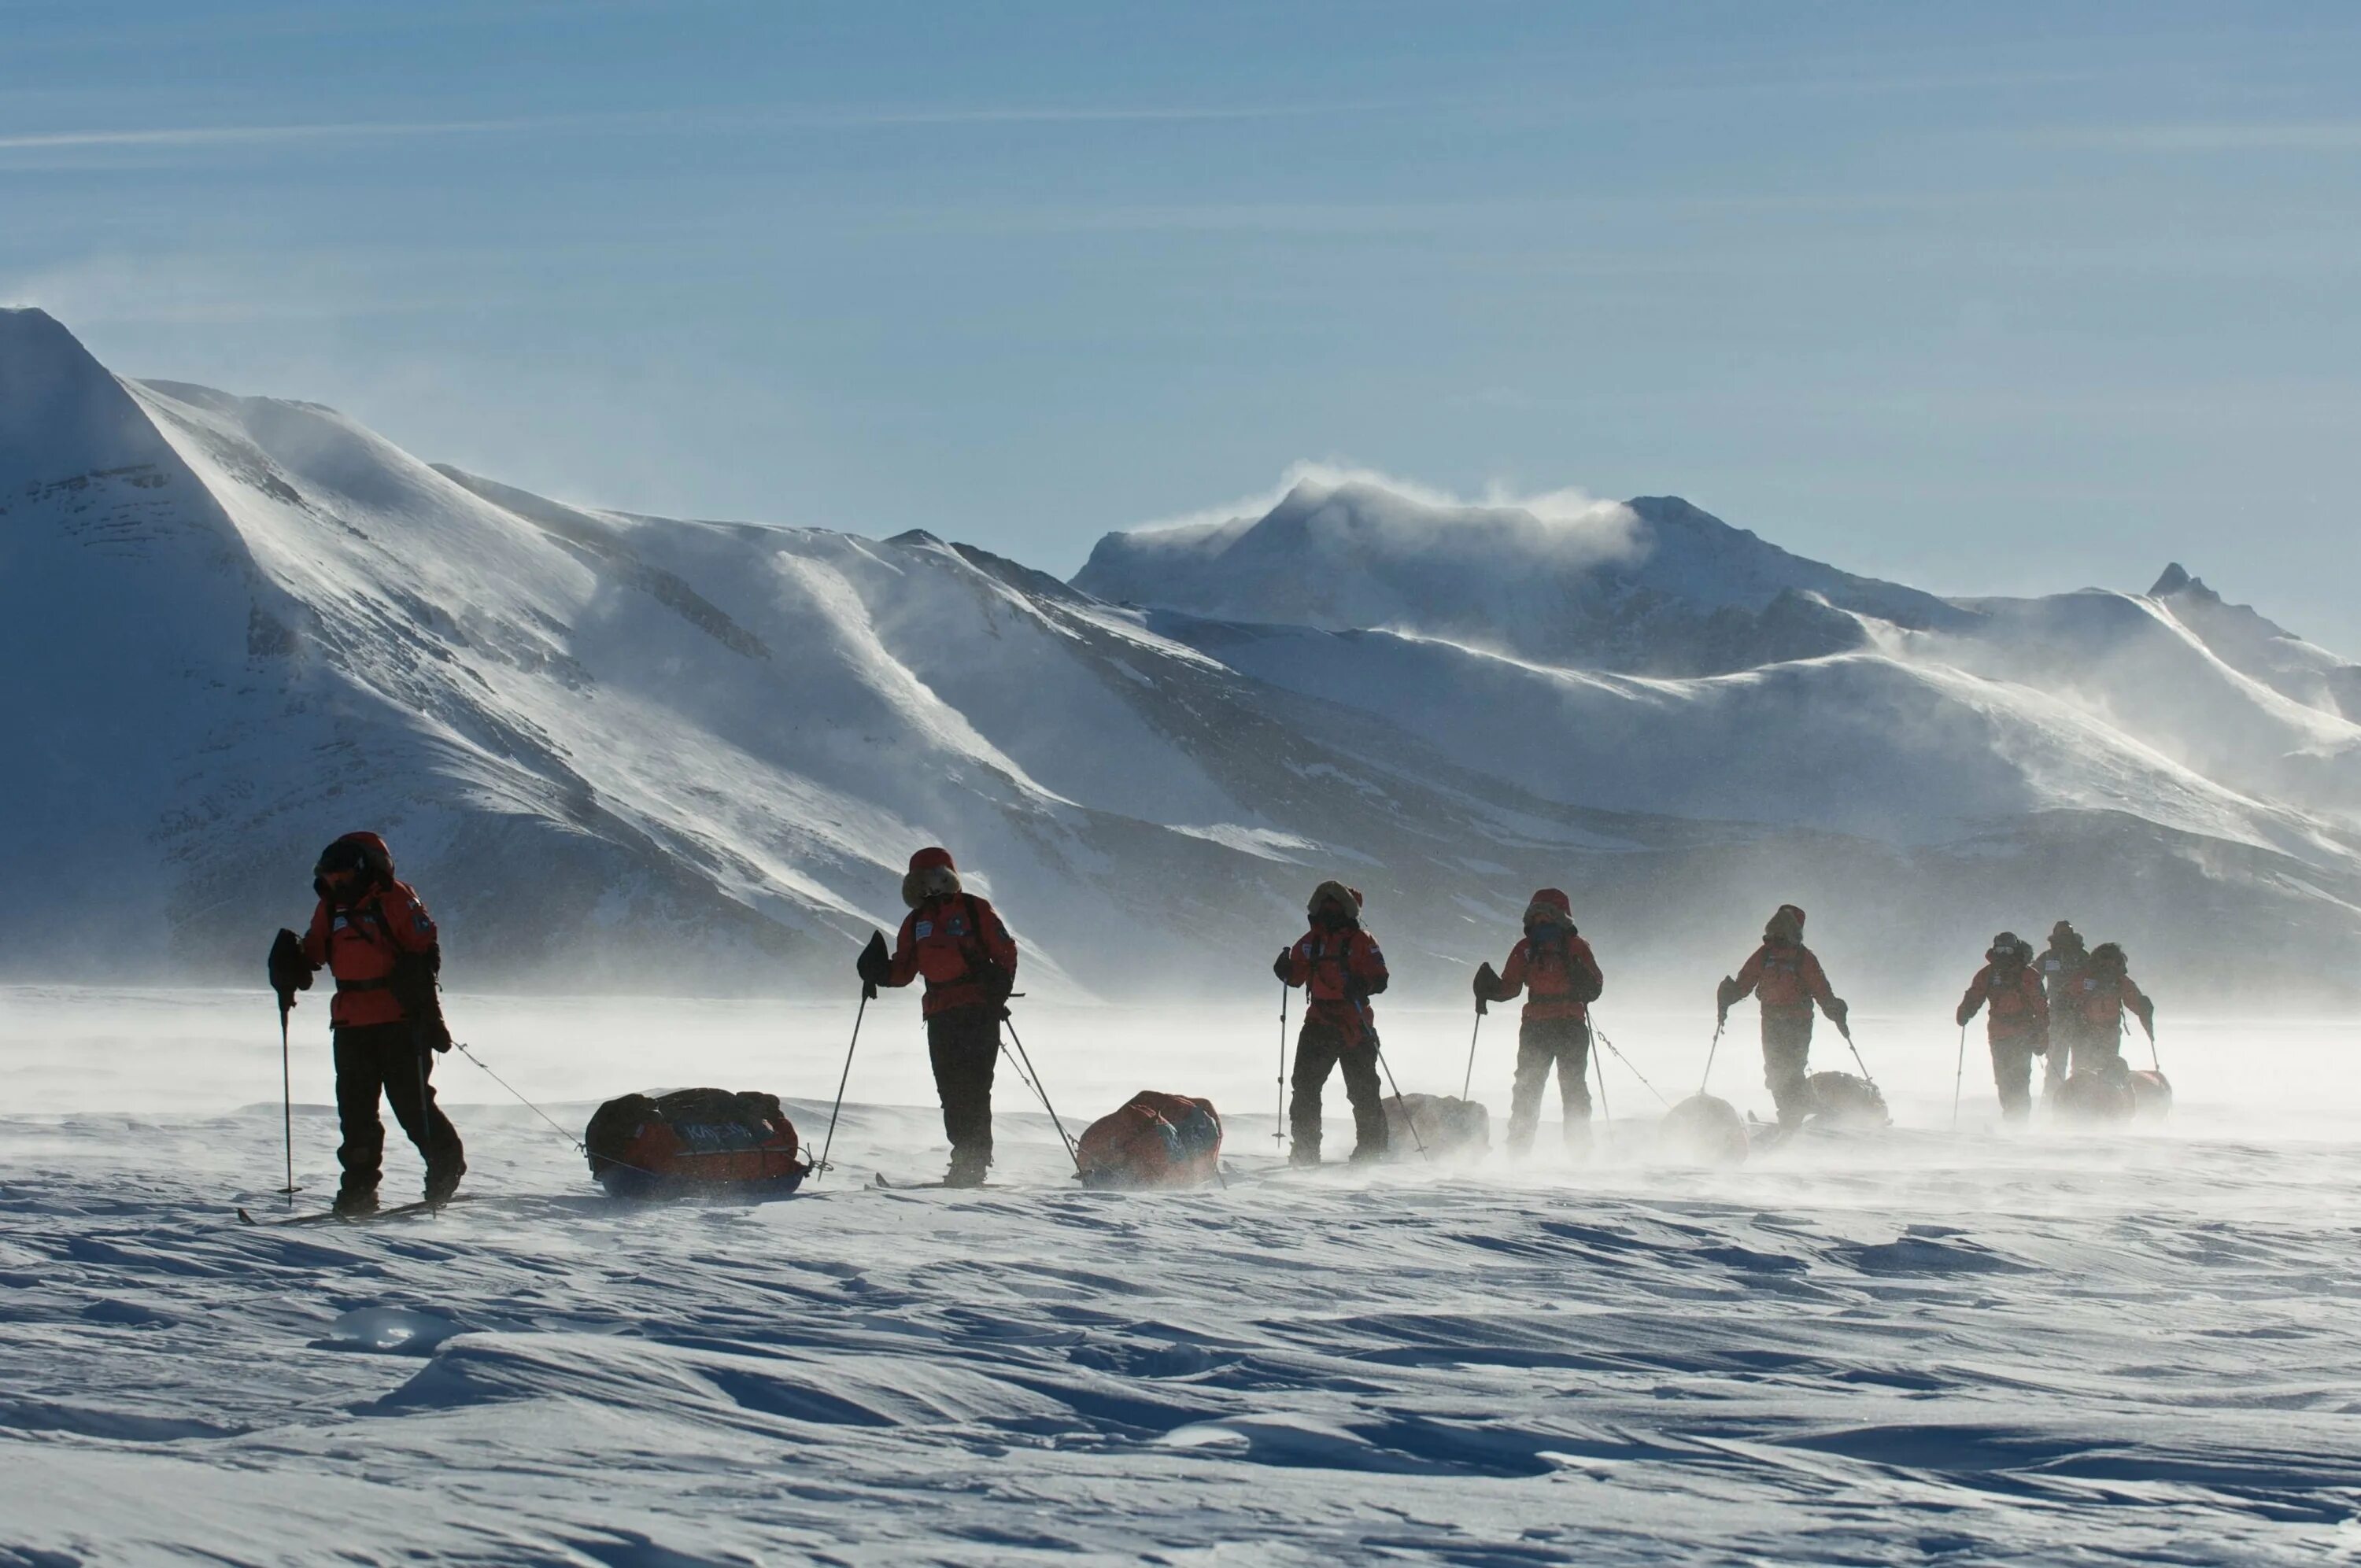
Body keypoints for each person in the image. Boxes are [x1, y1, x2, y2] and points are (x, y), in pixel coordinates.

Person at [282, 832, 464, 1216]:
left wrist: (426, 1010)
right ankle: (358, 1191)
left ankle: (446, 1167)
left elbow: (425, 949)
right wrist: (291, 962)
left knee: (412, 1106)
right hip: (350, 1023)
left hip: (400, 1022)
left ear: (363, 869)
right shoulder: (330, 909)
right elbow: (315, 951)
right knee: (356, 1112)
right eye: (329, 879)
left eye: (340, 877)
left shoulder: (396, 898)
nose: (334, 885)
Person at [860, 847, 1017, 1187]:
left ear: (948, 877)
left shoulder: (976, 910)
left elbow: (1005, 949)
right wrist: (878, 973)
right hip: (940, 1013)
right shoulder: (916, 922)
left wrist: (1000, 985)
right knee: (950, 1089)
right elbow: (904, 970)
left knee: (974, 1087)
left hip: (977, 1009)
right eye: (922, 879)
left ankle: (971, 1162)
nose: (929, 885)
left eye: (935, 877)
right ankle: (965, 1159)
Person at [1473, 888, 1605, 1158]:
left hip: (1541, 1027)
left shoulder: (1529, 948)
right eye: (1539, 918)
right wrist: (1491, 989)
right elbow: (1595, 987)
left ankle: (1520, 1152)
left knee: (1530, 1090)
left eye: (1546, 917)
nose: (1542, 923)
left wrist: (1489, 989)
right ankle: (1579, 1153)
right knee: (1569, 1089)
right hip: (1566, 1025)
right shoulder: (1573, 945)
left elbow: (1509, 988)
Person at [1276, 881, 1391, 1167]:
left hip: (1336, 1023)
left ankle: (1307, 1152)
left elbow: (1379, 979)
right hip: (1343, 1024)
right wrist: (1286, 971)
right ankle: (1367, 1151)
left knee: (1312, 1088)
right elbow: (1297, 977)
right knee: (1355, 1090)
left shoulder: (1319, 941)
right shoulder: (1355, 940)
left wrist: (1362, 984)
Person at [1716, 904, 1849, 1127]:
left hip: (1775, 1021)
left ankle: (1793, 1115)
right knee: (1788, 1069)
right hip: (1796, 1021)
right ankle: (1795, 1114)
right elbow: (1822, 990)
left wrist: (1727, 998)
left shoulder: (1766, 954)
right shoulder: (1802, 957)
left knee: (1779, 1070)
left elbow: (1744, 983)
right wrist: (1835, 1012)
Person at [1956, 932, 2049, 1123]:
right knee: (2003, 1080)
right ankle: (2011, 1116)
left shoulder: (2028, 975)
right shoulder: (1988, 974)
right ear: (1995, 949)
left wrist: (2041, 1034)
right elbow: (1976, 995)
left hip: (2023, 1034)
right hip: (1998, 1034)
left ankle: (2019, 1121)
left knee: (2021, 1078)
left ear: (2015, 950)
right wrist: (1966, 1011)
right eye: (2000, 949)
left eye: (2008, 949)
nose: (2004, 954)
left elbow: (2041, 1007)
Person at [2061, 942, 2154, 1079]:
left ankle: (2080, 1095)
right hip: (2104, 1030)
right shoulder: (2118, 979)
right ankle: (2105, 1094)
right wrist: (2144, 1009)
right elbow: (2133, 999)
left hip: (2086, 1030)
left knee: (2082, 1069)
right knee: (2106, 1067)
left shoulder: (2087, 976)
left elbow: (2069, 995)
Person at [2036, 921, 2090, 1098]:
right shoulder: (2049, 957)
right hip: (2058, 1014)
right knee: (2057, 1061)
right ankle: (2054, 1098)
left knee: (2079, 1061)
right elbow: (2033, 979)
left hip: (2079, 1015)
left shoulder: (2082, 957)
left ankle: (2078, 1096)